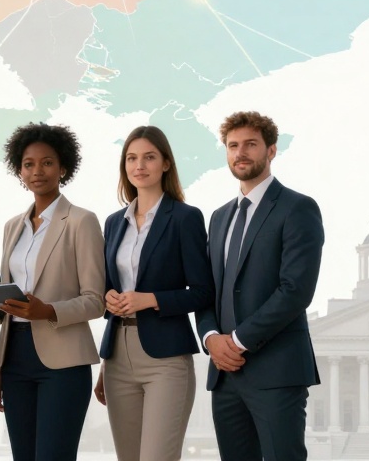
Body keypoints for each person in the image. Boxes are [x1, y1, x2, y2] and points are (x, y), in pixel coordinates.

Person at [195, 111, 324, 461]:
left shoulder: (298, 208)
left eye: (250, 144)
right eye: (233, 146)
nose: (241, 153)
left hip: (277, 372)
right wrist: (211, 339)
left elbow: (295, 289)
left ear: (271, 151)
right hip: (224, 376)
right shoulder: (220, 217)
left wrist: (236, 341)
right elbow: (207, 290)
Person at [0, 123, 105, 461]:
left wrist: (49, 310)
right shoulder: (12, 227)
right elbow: (7, 301)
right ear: (19, 170)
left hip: (63, 362)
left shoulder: (82, 222)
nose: (37, 171)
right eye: (28, 164)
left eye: (47, 162)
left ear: (63, 167)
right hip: (14, 359)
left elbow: (96, 300)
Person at [94, 125, 214, 461]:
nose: (139, 165)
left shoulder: (185, 218)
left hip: (166, 358)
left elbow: (203, 292)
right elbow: (108, 283)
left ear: (165, 164)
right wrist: (108, 298)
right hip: (118, 354)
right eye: (131, 158)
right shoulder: (114, 222)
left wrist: (152, 299)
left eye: (149, 157)